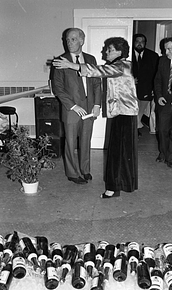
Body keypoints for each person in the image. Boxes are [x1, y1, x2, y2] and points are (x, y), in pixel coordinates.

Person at [53, 37, 139, 198]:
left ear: (119, 52)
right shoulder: (121, 65)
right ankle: (122, 185)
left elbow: (98, 72)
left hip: (123, 115)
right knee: (121, 152)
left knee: (116, 153)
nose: (105, 52)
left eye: (110, 49)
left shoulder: (121, 65)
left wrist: (71, 65)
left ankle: (112, 189)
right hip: (123, 114)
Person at [51, 28, 101, 184]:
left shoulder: (91, 59)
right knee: (71, 142)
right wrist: (73, 106)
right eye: (67, 40)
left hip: (89, 107)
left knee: (86, 140)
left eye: (73, 39)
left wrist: (97, 104)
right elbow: (58, 88)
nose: (69, 43)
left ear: (82, 40)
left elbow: (97, 84)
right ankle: (72, 173)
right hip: (71, 110)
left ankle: (85, 170)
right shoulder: (60, 61)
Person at [154, 37, 172, 168]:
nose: (166, 52)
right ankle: (163, 153)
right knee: (162, 130)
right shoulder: (162, 61)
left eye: (169, 49)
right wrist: (159, 96)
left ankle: (171, 158)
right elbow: (157, 80)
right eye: (165, 49)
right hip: (164, 102)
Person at [132, 33, 159, 136]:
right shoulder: (128, 55)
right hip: (131, 90)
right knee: (133, 110)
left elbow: (156, 74)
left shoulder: (153, 56)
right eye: (137, 42)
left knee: (140, 111)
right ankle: (135, 130)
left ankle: (135, 129)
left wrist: (154, 88)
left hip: (146, 89)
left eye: (142, 42)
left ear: (145, 43)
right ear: (134, 42)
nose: (139, 44)